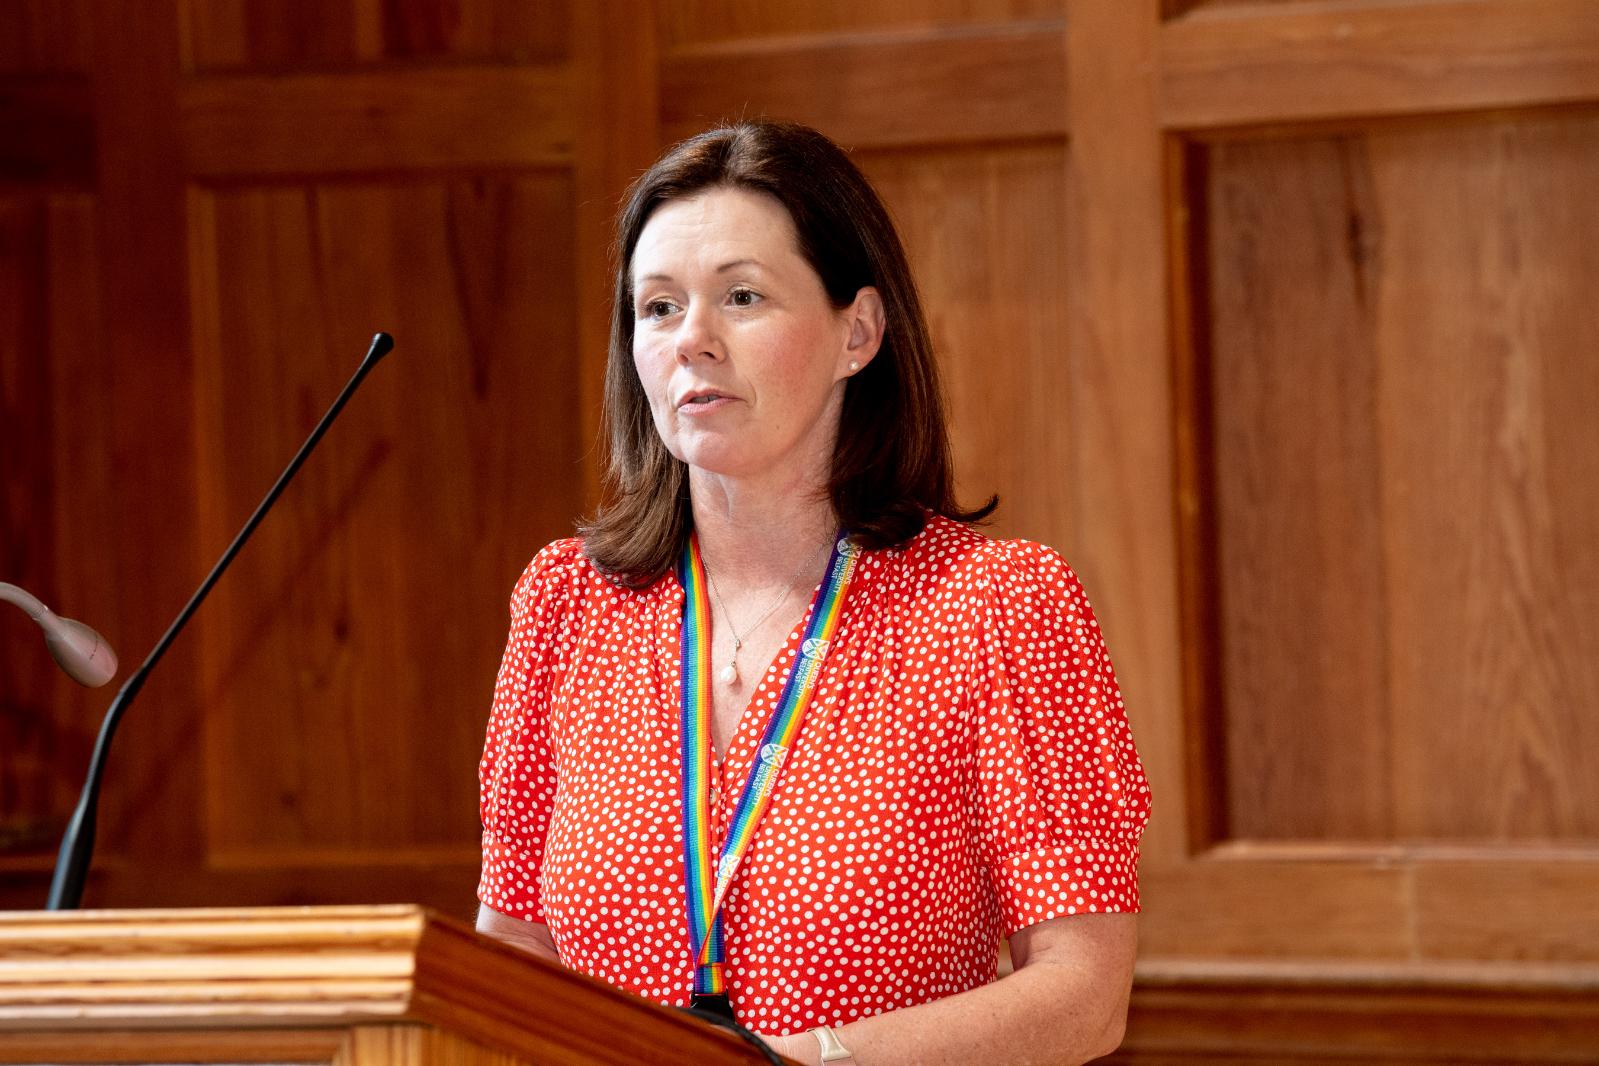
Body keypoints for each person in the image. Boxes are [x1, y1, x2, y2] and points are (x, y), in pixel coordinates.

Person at [476, 120, 1151, 1065]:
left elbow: (1083, 995)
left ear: (857, 333)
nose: (692, 341)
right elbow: (513, 946)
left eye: (741, 297)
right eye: (658, 307)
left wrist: (800, 1064)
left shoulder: (998, 607)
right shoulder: (568, 602)